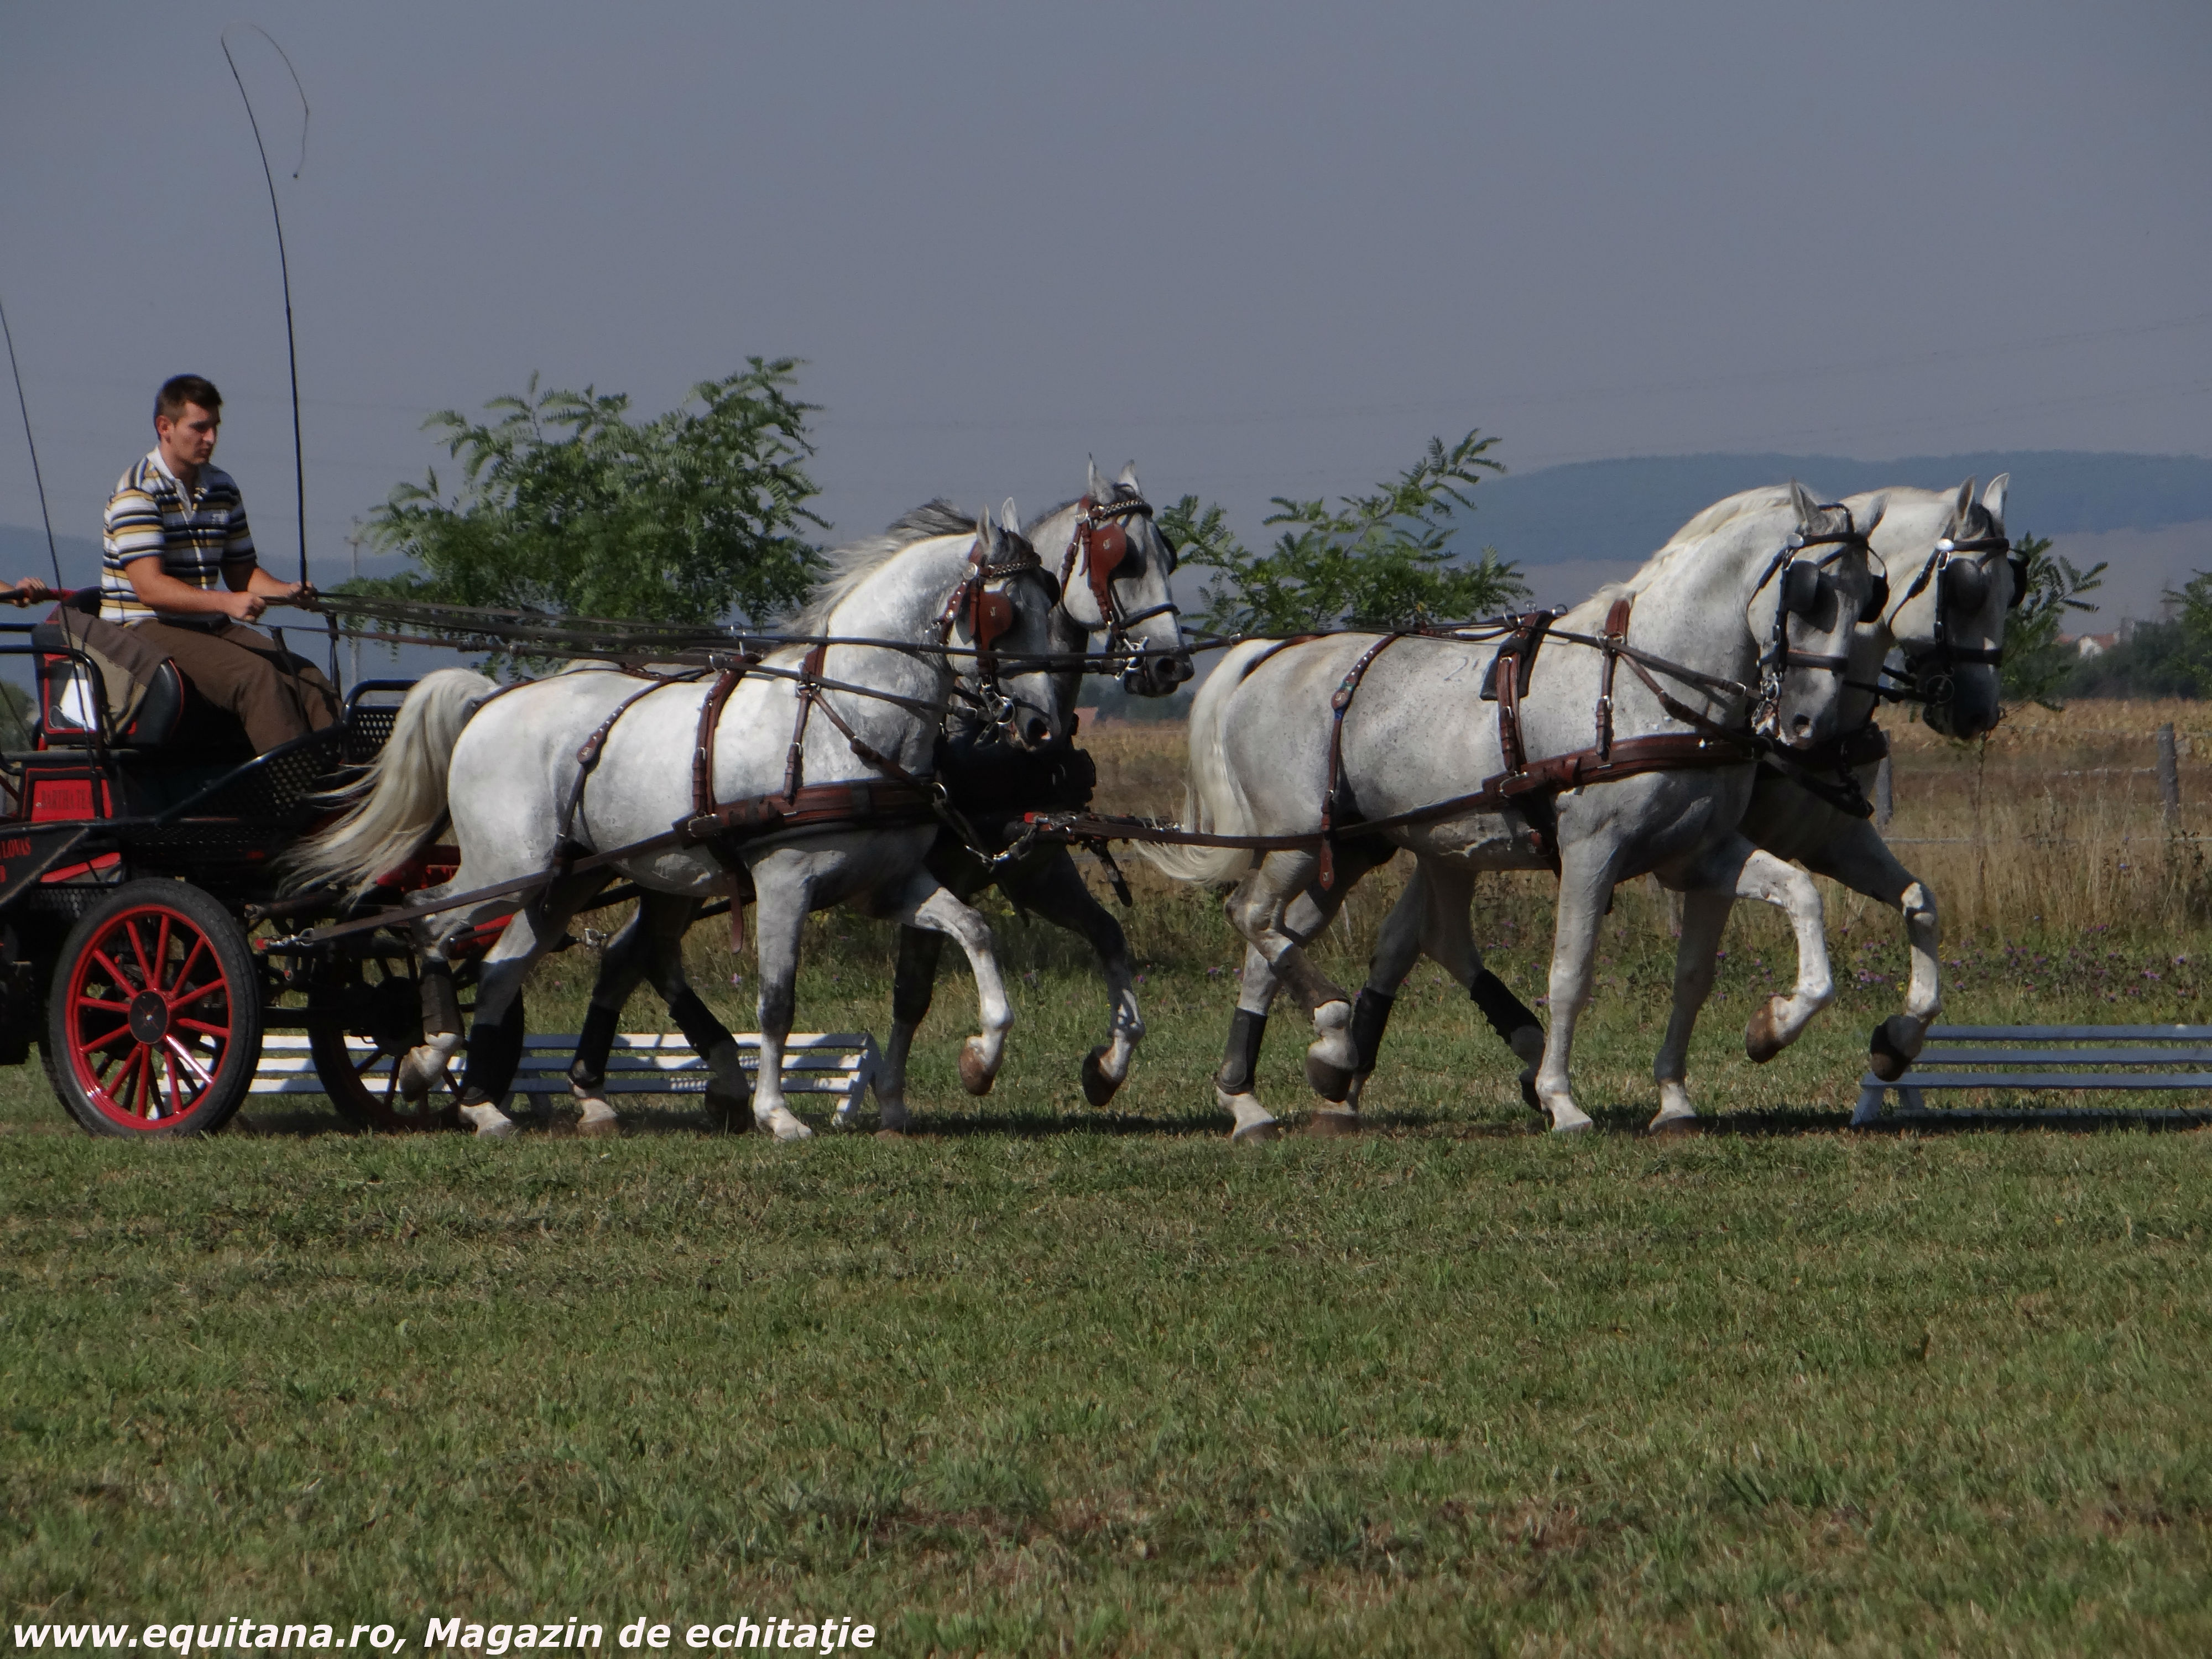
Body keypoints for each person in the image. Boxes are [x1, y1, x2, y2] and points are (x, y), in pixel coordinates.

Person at [101, 374, 338, 751]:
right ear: (166, 427)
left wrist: (288, 592)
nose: (210, 438)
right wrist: (226, 602)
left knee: (307, 676)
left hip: (203, 623)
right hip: (141, 627)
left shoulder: (222, 487)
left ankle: (346, 782)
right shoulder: (137, 492)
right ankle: (295, 796)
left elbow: (242, 573)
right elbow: (150, 588)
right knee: (255, 676)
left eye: (214, 428)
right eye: (199, 428)